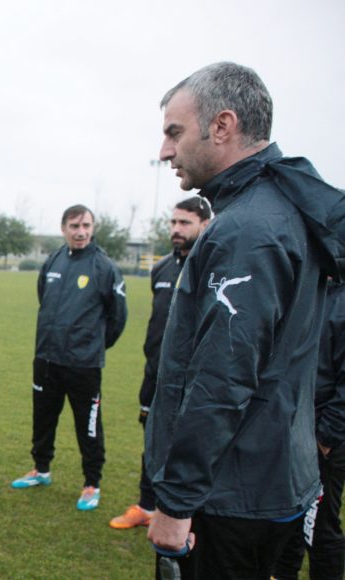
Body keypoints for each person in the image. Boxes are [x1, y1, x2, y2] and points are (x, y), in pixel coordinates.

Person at [146, 62, 345, 577]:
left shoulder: (248, 229)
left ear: (222, 126)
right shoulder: (279, 208)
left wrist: (177, 501)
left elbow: (222, 380)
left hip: (231, 494)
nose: (165, 151)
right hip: (267, 479)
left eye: (174, 132)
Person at [10, 204, 127, 512]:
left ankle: (91, 483)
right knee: (43, 418)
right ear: (63, 229)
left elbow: (117, 318)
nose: (81, 232)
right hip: (46, 358)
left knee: (88, 426)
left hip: (83, 365)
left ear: (93, 227)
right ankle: (41, 469)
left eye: (86, 225)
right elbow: (44, 299)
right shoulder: (53, 260)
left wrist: (92, 346)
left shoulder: (104, 267)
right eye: (75, 226)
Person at [110, 197, 210, 530]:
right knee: (153, 439)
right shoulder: (162, 267)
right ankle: (146, 506)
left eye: (185, 223)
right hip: (155, 372)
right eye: (174, 222)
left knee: (192, 446)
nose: (177, 229)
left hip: (193, 378)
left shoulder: (211, 266)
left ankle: (189, 517)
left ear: (205, 225)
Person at [275, 277, 345, 579]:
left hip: (323, 437)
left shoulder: (340, 301)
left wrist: (326, 437)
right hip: (291, 429)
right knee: (286, 519)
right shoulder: (307, 287)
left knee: (318, 525)